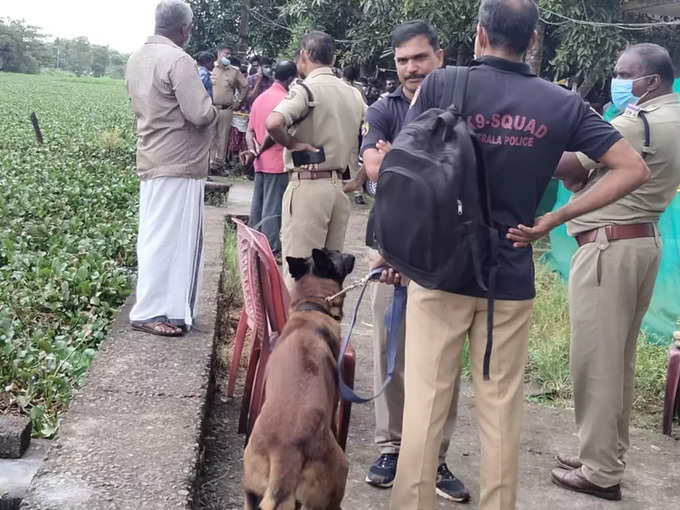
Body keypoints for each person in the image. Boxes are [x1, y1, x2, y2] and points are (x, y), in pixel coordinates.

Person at [380, 2, 651, 510]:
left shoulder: (442, 84)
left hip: (440, 271)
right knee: (501, 411)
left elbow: (404, 166)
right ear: (532, 40)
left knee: (425, 408)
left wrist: (396, 249)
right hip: (509, 272)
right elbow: (632, 168)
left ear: (480, 34)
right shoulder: (562, 103)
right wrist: (554, 220)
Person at [550, 43, 680, 502]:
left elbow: (570, 167)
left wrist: (542, 131)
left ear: (649, 81)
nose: (616, 80)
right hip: (641, 241)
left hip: (610, 247)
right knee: (617, 360)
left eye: (624, 73)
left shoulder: (634, 123)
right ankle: (602, 452)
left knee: (596, 362)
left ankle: (601, 471)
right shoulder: (672, 118)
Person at [359, 20, 469, 503]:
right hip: (390, 249)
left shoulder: (464, 104)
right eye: (402, 60)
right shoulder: (383, 109)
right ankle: (391, 446)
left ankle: (435, 456)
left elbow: (460, 176)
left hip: (448, 254)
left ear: (439, 57)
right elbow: (373, 168)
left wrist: (399, 160)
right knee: (390, 349)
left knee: (442, 360)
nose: (410, 69)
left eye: (419, 58)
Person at [125, 0, 216, 336]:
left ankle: (161, 308)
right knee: (175, 240)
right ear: (184, 29)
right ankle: (153, 310)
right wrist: (213, 109)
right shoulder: (179, 59)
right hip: (179, 162)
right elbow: (199, 113)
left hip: (152, 156)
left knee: (155, 236)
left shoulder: (137, 57)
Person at [265, 31, 366, 288]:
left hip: (308, 187)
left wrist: (293, 143)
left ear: (303, 56)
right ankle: (323, 327)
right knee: (329, 276)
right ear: (332, 58)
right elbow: (375, 132)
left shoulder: (306, 89)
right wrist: (359, 179)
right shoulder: (353, 93)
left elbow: (274, 122)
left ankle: (296, 328)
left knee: (301, 275)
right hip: (338, 191)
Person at [242, 61, 298, 257]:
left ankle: (254, 243)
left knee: (257, 205)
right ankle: (271, 248)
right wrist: (261, 149)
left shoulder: (260, 98)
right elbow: (275, 131)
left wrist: (253, 150)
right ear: (291, 78)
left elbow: (249, 131)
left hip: (259, 161)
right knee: (273, 207)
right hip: (276, 160)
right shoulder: (286, 100)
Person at [210, 45, 248, 170]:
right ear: (219, 54)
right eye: (226, 53)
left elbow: (245, 86)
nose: (228, 56)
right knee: (210, 137)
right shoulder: (211, 68)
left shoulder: (234, 71)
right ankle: (207, 164)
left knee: (223, 137)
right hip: (210, 108)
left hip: (226, 109)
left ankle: (218, 165)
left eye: (230, 54)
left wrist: (238, 101)